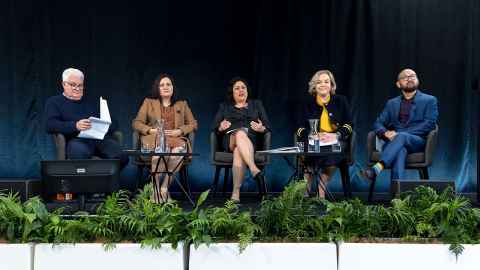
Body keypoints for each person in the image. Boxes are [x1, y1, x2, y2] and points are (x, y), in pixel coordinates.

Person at [360, 68, 439, 181]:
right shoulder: (392, 103)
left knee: (401, 136)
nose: (410, 78)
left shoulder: (430, 100)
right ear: (398, 84)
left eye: (413, 76)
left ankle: (377, 168)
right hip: (395, 143)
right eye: (405, 77)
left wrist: (399, 134)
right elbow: (378, 123)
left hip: (417, 142)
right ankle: (398, 196)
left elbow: (430, 124)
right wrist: (385, 133)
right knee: (400, 151)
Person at [132, 73, 197, 203]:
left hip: (176, 140)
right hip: (155, 140)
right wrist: (152, 130)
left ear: (173, 88)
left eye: (168, 84)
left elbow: (193, 123)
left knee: (177, 153)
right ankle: (155, 190)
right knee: (161, 150)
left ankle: (164, 188)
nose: (166, 87)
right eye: (162, 85)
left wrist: (180, 130)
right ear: (158, 88)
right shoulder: (149, 103)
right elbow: (136, 123)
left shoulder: (182, 104)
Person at [45, 68, 129, 169]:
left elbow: (114, 123)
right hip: (76, 139)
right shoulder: (54, 102)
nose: (77, 88)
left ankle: (107, 182)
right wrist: (75, 126)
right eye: (73, 85)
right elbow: (50, 125)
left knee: (123, 156)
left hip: (99, 140)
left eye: (80, 85)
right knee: (79, 153)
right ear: (64, 84)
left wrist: (106, 124)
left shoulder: (91, 101)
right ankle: (85, 184)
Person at [212, 77, 271, 203]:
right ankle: (254, 169)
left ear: (247, 91)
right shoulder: (225, 107)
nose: (241, 90)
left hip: (251, 141)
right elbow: (214, 127)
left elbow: (268, 126)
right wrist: (220, 127)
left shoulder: (257, 104)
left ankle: (235, 193)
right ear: (232, 93)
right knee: (239, 133)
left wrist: (261, 128)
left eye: (243, 88)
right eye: (237, 88)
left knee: (239, 151)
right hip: (230, 139)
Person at [296, 70, 353, 199]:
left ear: (331, 85)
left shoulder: (341, 100)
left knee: (333, 151)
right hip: (313, 139)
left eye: (326, 82)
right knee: (308, 150)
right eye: (319, 82)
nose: (323, 84)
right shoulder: (306, 103)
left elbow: (349, 124)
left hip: (335, 139)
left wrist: (336, 135)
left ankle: (321, 190)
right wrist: (311, 135)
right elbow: (299, 127)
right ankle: (306, 188)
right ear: (314, 86)